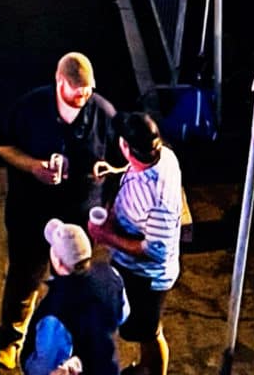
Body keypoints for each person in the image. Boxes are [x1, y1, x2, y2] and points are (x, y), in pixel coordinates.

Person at [0, 52, 116, 364]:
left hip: (78, 221)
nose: (83, 96)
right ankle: (13, 337)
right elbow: (2, 146)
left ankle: (67, 344)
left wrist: (110, 178)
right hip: (31, 215)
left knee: (75, 286)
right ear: (60, 81)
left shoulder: (103, 113)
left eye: (88, 91)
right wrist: (34, 166)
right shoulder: (30, 107)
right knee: (24, 278)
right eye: (77, 90)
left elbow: (121, 160)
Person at [94, 113, 181, 375]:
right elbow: (138, 168)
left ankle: (154, 371)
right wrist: (117, 170)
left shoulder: (158, 198)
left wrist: (106, 235)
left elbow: (155, 251)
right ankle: (145, 367)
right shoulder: (164, 155)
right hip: (134, 271)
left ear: (126, 148)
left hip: (146, 278)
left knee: (148, 331)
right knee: (144, 329)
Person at [19, 222, 126, 375]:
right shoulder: (111, 275)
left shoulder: (55, 311)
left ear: (59, 263)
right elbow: (122, 315)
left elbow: (44, 367)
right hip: (107, 365)